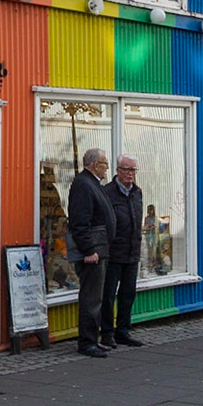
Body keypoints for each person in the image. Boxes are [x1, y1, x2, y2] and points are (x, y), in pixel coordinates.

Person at [66, 148, 114, 358]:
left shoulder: (92, 183)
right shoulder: (84, 185)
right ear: (95, 164)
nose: (107, 168)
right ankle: (87, 342)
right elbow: (80, 220)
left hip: (100, 248)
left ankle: (93, 338)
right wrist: (88, 249)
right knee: (91, 297)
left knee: (97, 296)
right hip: (93, 251)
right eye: (105, 163)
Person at [102, 155, 145, 348]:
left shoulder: (137, 192)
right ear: (117, 171)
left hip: (132, 252)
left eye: (133, 170)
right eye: (126, 170)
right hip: (113, 253)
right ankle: (107, 333)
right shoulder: (107, 193)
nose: (130, 174)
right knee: (108, 295)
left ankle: (123, 331)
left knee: (128, 294)